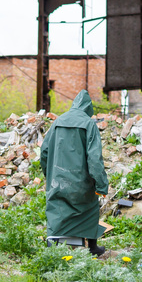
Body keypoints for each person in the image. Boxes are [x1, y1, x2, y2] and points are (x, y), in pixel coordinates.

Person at [40, 90, 110, 256]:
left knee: (57, 208)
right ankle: (92, 247)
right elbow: (94, 159)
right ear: (88, 108)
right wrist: (101, 185)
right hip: (81, 183)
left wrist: (49, 175)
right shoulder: (89, 124)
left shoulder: (58, 122)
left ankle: (53, 245)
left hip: (58, 181)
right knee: (91, 207)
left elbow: (44, 152)